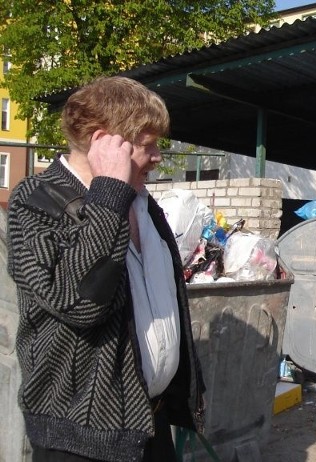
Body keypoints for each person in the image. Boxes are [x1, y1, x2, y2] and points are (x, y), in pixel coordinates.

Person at [6, 76, 206, 462]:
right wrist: (109, 192)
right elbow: (79, 302)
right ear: (105, 142)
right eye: (148, 146)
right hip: (81, 440)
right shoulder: (36, 201)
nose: (158, 157)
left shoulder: (143, 203)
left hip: (149, 421)